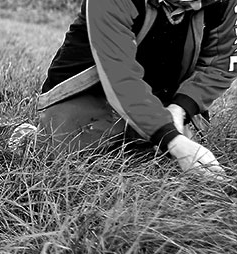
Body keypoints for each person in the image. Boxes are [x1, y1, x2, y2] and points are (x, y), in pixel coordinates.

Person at [29, 0, 234, 177]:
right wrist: (171, 139)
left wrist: (179, 109)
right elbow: (119, 72)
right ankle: (27, 138)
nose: (197, 4)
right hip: (94, 84)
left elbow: (221, 65)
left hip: (164, 93)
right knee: (64, 157)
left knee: (164, 163)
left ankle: (153, 127)